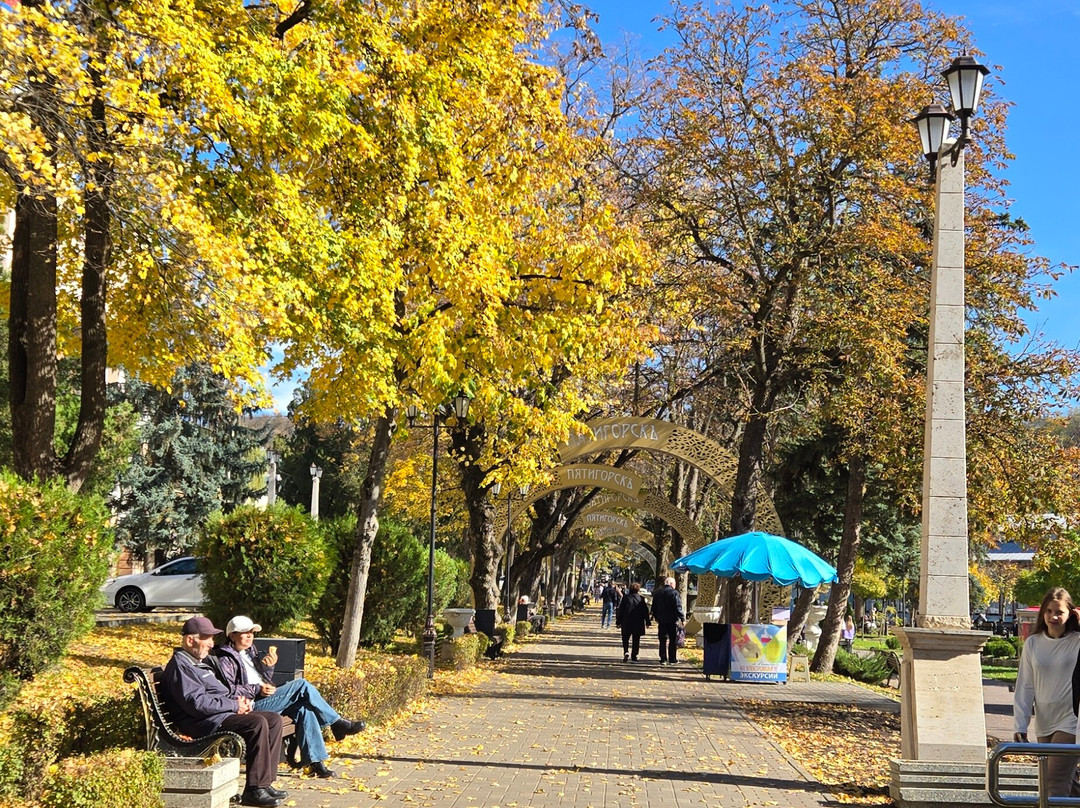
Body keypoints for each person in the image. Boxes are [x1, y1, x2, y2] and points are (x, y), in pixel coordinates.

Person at [212, 616, 365, 779]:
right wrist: (258, 689)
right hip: (249, 706)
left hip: (262, 698)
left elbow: (262, 681)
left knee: (304, 709)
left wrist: (268, 668)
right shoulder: (225, 658)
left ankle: (315, 763)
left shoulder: (251, 652)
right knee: (302, 685)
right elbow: (230, 690)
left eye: (252, 632)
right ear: (232, 635)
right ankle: (337, 723)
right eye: (245, 632)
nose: (250, 635)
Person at [160, 617, 287, 808]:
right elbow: (197, 704)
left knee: (273, 719)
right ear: (190, 640)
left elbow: (220, 691)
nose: (212, 644)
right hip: (199, 722)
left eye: (212, 638)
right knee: (257, 724)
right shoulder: (182, 666)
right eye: (207, 638)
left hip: (215, 714)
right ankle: (253, 791)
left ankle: (264, 783)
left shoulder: (198, 662)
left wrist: (238, 701)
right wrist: (234, 706)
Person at [1013, 587, 1080, 798]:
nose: (1053, 616)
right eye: (1049, 611)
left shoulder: (1077, 641)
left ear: (1070, 613)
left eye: (1059, 612)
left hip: (1070, 721)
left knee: (1054, 781)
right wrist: (1020, 725)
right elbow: (1025, 685)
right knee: (1057, 782)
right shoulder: (1033, 643)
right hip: (1043, 722)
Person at [650, 577, 685, 664]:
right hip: (672, 620)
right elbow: (678, 606)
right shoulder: (674, 593)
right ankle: (672, 658)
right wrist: (682, 618)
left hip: (661, 620)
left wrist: (656, 617)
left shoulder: (658, 593)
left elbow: (654, 607)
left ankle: (663, 658)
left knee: (662, 640)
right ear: (671, 584)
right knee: (672, 640)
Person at [615, 582, 651, 662]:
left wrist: (618, 621)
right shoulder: (641, 599)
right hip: (638, 622)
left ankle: (626, 651)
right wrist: (647, 622)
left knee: (625, 638)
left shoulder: (625, 598)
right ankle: (634, 656)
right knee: (636, 639)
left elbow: (621, 610)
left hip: (626, 621)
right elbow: (645, 611)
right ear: (638, 589)